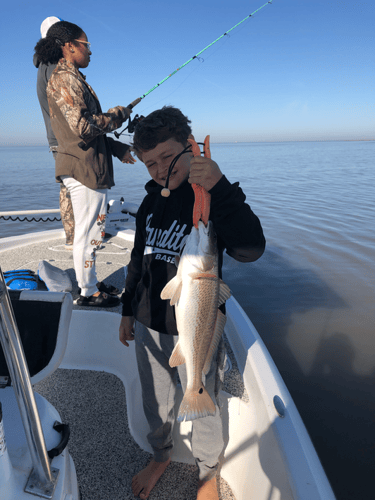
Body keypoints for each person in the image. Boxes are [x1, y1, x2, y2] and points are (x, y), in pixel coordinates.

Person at [119, 106, 266, 499]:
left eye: (167, 157)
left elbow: (251, 248)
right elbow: (137, 259)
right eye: (150, 163)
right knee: (156, 398)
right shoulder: (150, 204)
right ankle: (160, 455)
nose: (159, 169)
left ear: (190, 146)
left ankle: (208, 473)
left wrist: (219, 186)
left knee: (203, 397)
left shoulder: (210, 198)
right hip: (152, 321)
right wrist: (127, 309)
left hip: (198, 325)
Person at [34, 20, 136, 308]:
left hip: (88, 164)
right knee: (89, 232)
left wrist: (116, 148)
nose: (90, 51)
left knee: (90, 231)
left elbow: (84, 130)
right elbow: (82, 127)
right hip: (83, 168)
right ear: (69, 47)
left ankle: (87, 284)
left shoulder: (71, 77)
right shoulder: (65, 78)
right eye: (86, 45)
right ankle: (88, 292)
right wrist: (117, 115)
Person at [33, 16, 75, 250]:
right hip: (66, 138)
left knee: (66, 185)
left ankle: (72, 236)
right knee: (73, 185)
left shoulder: (42, 66)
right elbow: (68, 106)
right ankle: (76, 238)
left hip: (55, 139)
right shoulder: (54, 66)